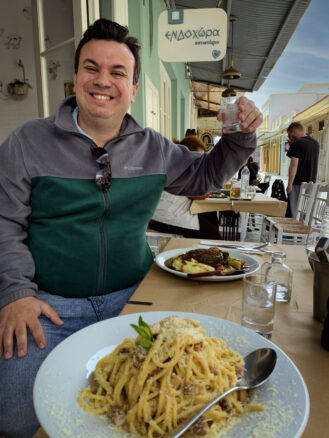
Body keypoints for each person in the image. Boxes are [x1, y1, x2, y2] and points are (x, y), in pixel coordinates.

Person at [0, 18, 262, 437]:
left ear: (134, 88)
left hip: (137, 295)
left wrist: (238, 137)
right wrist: (15, 294)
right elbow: (4, 223)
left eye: (117, 72)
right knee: (14, 419)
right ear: (75, 77)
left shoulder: (153, 146)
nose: (103, 80)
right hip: (50, 306)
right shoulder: (27, 142)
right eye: (92, 67)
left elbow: (202, 178)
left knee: (168, 400)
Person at [150, 135, 221, 239]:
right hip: (163, 215)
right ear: (188, 154)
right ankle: (203, 250)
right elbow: (197, 194)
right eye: (198, 157)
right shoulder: (179, 166)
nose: (200, 162)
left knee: (210, 214)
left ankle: (203, 248)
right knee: (213, 234)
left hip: (173, 207)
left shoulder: (174, 162)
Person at [286, 122, 319, 217]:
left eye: (289, 134)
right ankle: (303, 231)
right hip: (311, 183)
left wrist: (289, 185)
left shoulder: (297, 143)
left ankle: (293, 231)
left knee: (295, 214)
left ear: (295, 131)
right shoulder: (315, 143)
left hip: (298, 183)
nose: (289, 137)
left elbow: (293, 165)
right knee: (305, 213)